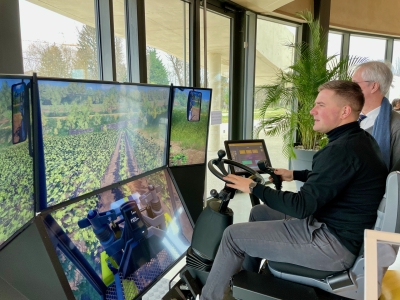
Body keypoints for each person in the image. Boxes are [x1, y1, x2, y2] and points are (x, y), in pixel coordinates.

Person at [198, 80, 388, 300]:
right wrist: (294, 175)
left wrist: (253, 187)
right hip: (337, 230)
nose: (312, 110)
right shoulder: (359, 140)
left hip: (332, 245)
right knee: (259, 213)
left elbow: (301, 207)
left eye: (321, 105)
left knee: (232, 236)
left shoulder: (341, 150)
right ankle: (247, 285)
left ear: (344, 111)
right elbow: (335, 178)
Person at [352, 61, 400, 171]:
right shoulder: (347, 118)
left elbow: (396, 176)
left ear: (373, 86)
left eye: (355, 83)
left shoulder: (396, 125)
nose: (350, 88)